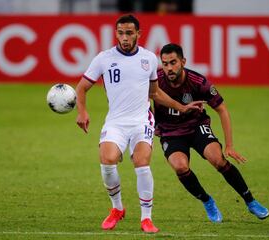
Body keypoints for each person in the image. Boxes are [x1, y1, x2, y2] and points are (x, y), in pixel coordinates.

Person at [75, 15, 201, 233]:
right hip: (116, 121)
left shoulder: (149, 59)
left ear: (138, 34)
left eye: (129, 33)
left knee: (141, 162)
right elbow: (81, 87)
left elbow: (155, 93)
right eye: (120, 33)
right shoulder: (103, 59)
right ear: (116, 34)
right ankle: (117, 209)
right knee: (107, 160)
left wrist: (180, 107)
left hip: (142, 120)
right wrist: (82, 111)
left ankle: (146, 218)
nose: (124, 38)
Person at [153, 43, 269, 223]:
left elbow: (222, 109)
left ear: (183, 61)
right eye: (165, 63)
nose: (169, 68)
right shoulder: (155, 81)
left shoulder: (198, 82)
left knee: (218, 160)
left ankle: (251, 201)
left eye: (173, 62)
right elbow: (139, 100)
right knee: (180, 167)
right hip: (170, 132)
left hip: (196, 127)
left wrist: (229, 145)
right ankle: (207, 200)